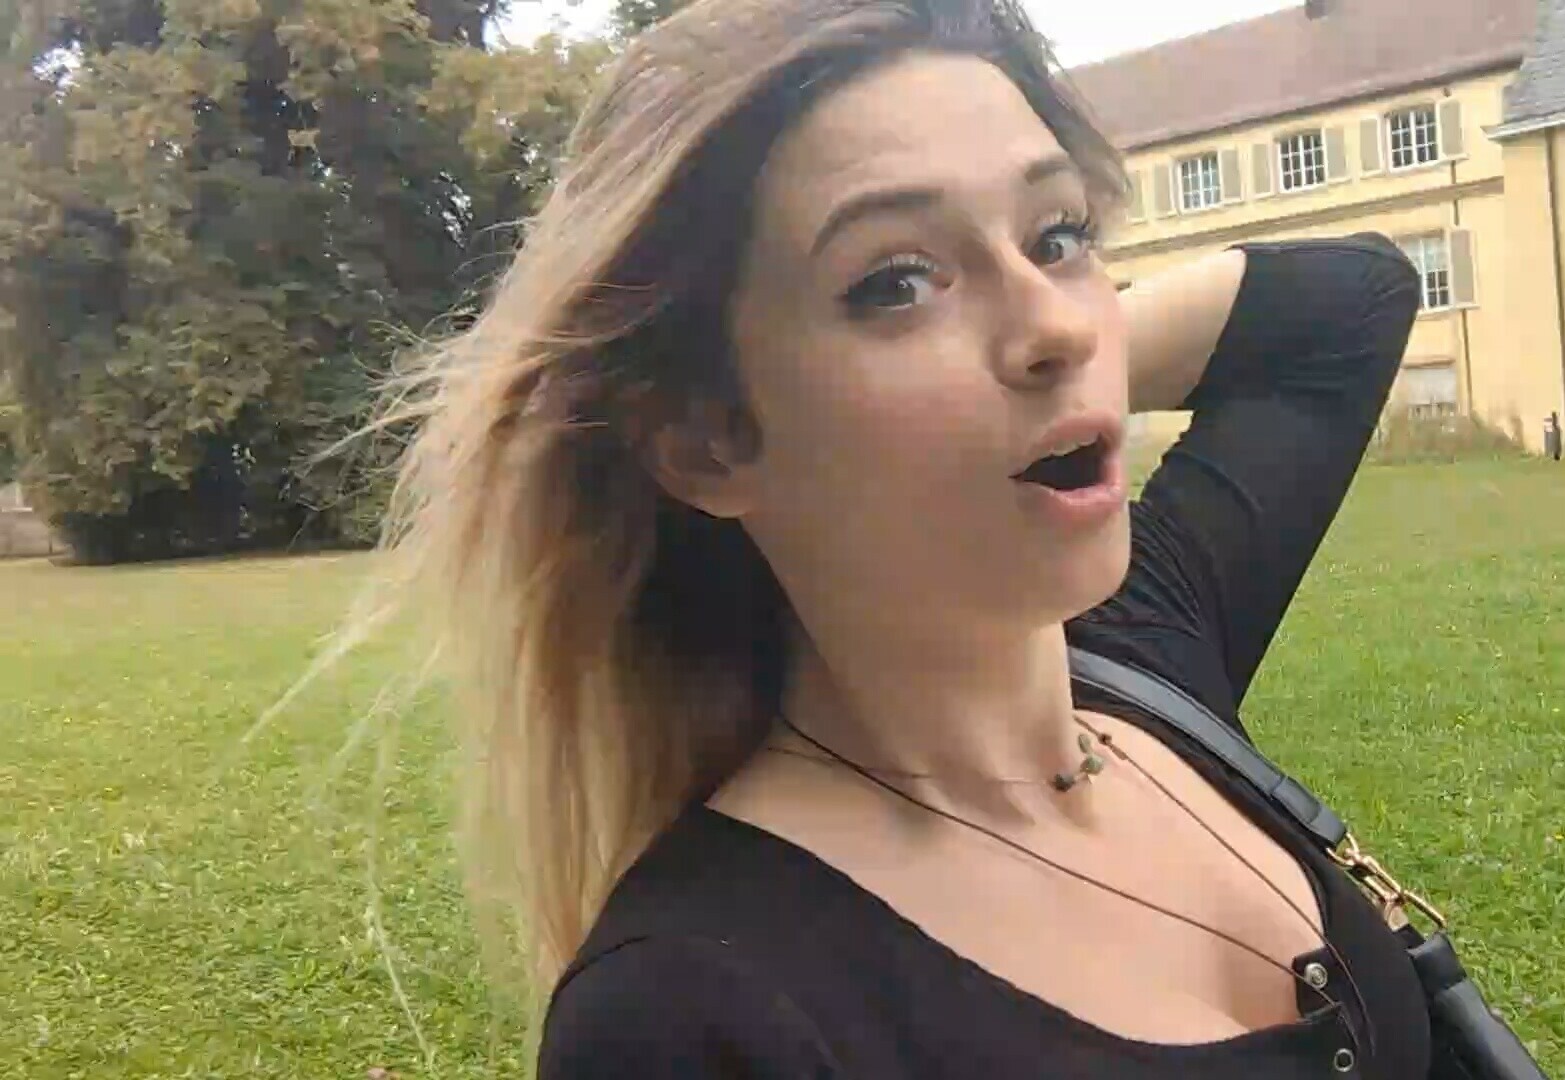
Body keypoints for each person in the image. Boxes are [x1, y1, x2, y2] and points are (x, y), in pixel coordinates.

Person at [366, 0, 1429, 1074]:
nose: (1059, 323)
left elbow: (1352, 302)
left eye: (1058, 235)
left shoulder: (1147, 649)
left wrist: (1041, 390)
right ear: (705, 442)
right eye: (896, 284)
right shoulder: (689, 1016)